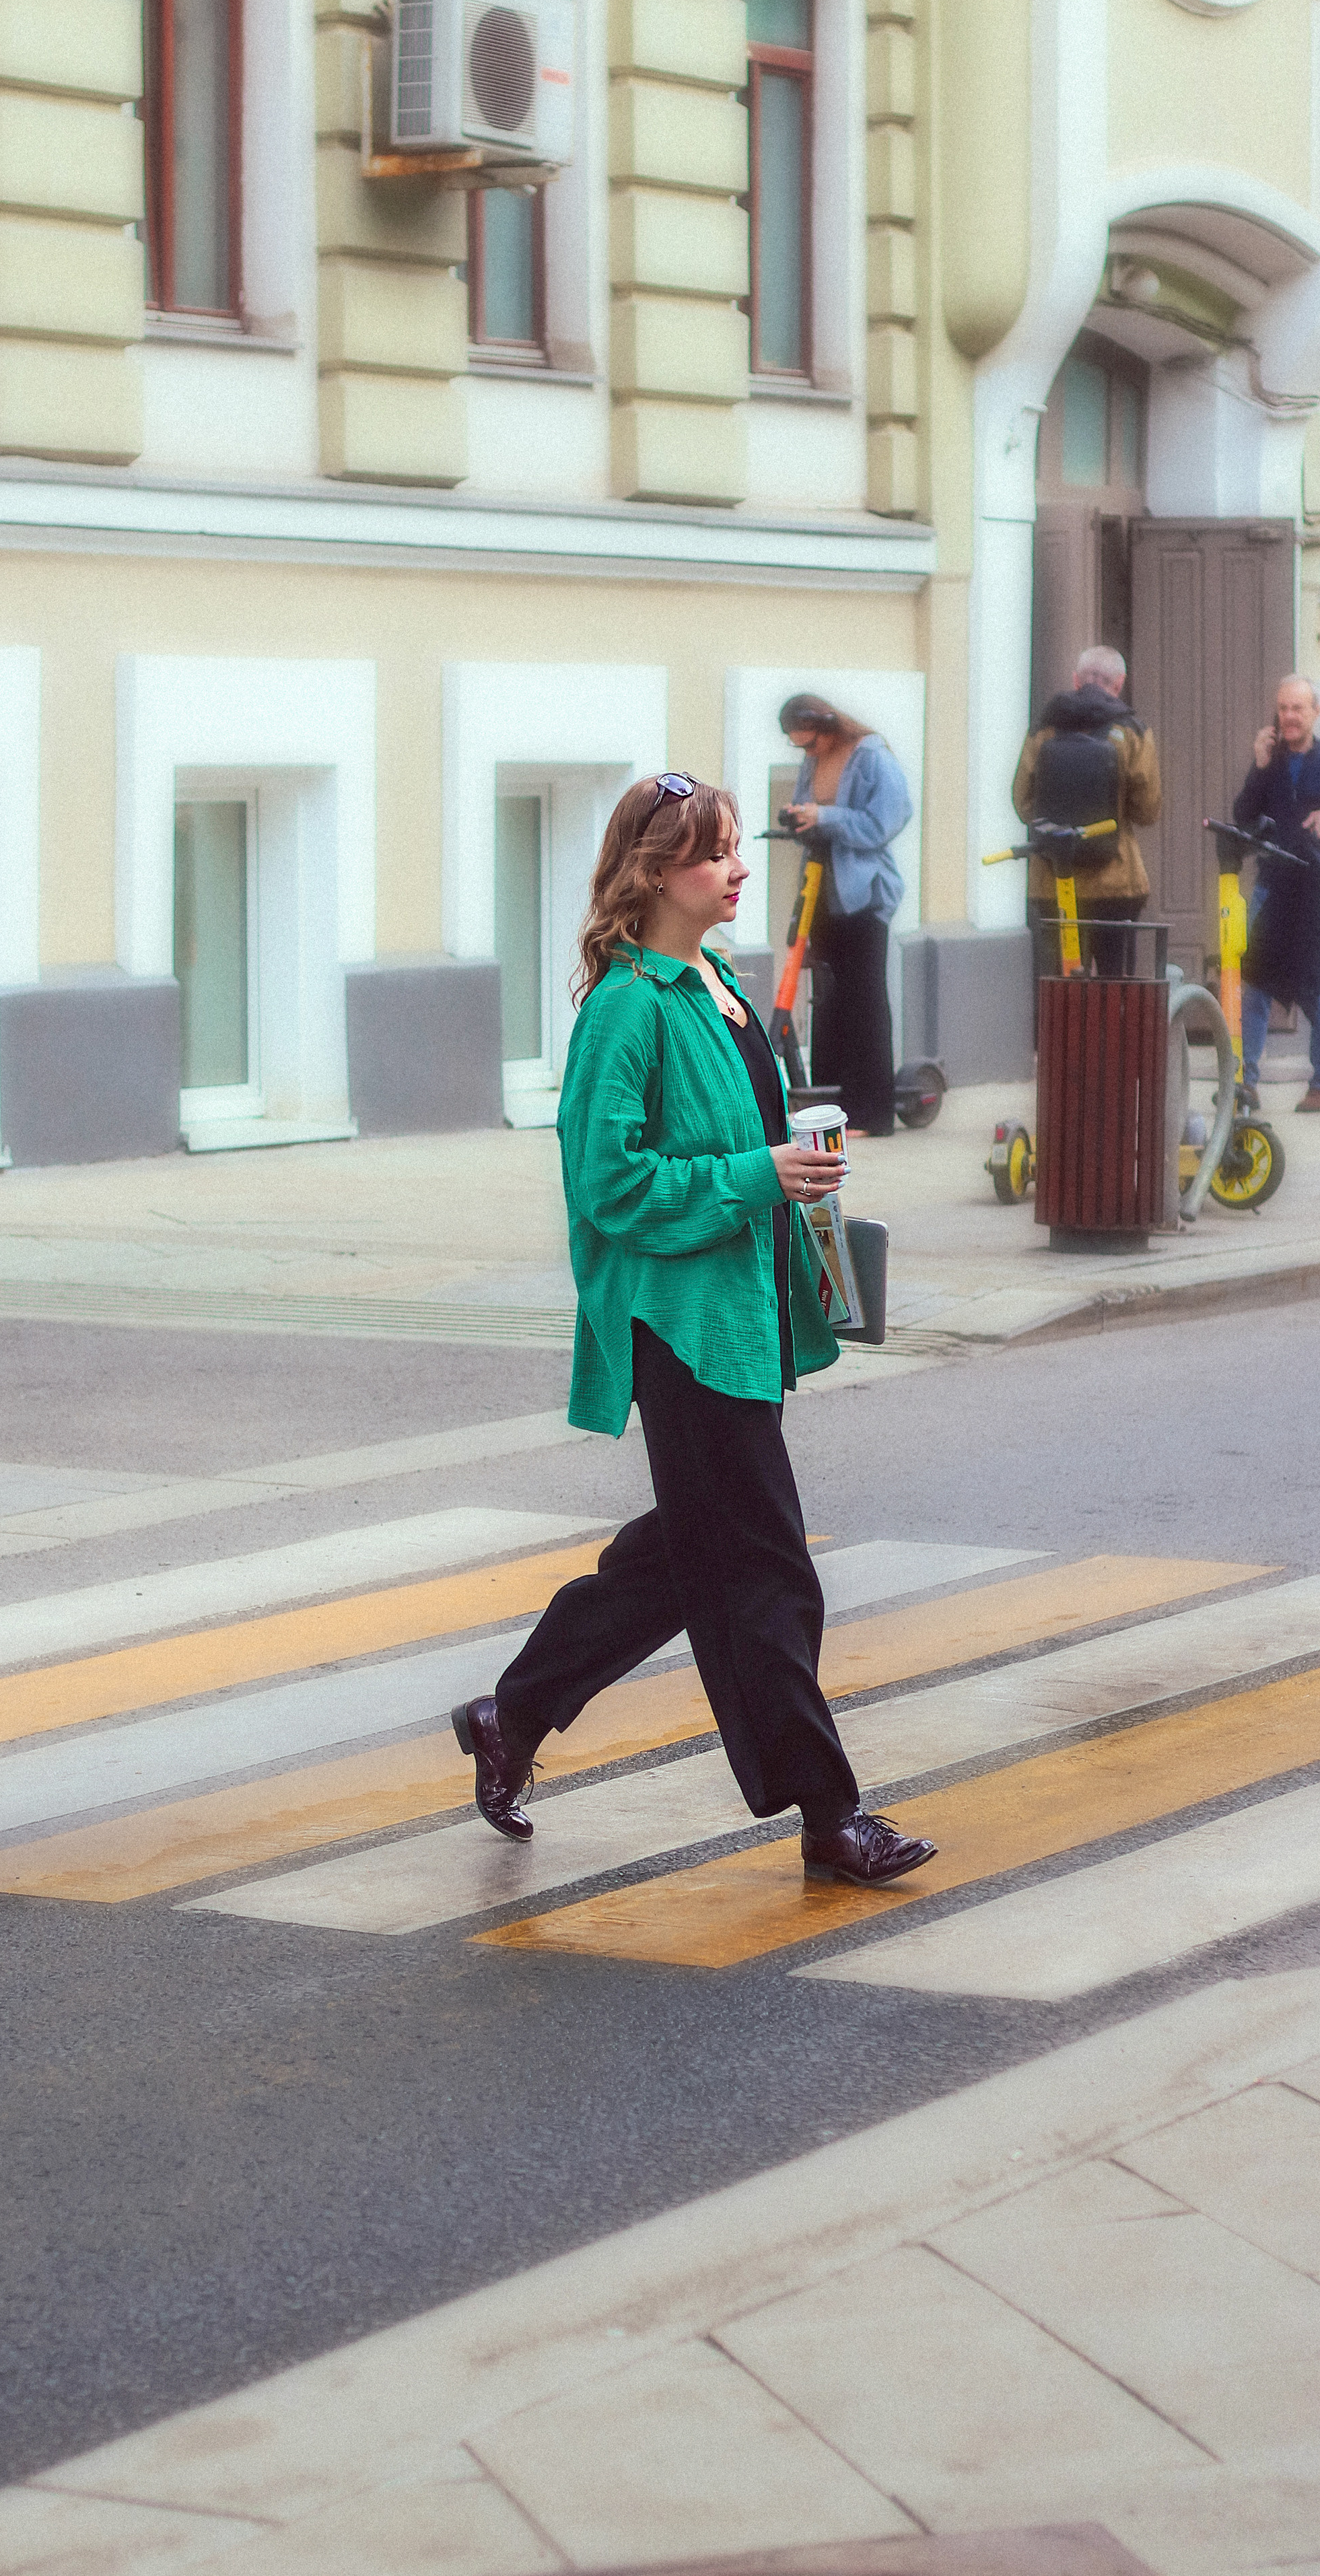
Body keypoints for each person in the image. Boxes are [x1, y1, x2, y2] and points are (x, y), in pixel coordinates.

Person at [451, 770, 936, 1891]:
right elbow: (607, 1185)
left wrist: (797, 1186)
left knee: (685, 1555)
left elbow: (748, 1148)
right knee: (765, 1570)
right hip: (678, 1326)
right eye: (715, 851)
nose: (737, 866)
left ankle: (509, 1714)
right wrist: (752, 1174)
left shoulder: (711, 981)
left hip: (741, 1312)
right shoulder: (627, 1007)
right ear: (655, 871)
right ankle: (827, 1813)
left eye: (732, 848)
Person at [1232, 675, 1320, 1115]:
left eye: (1297, 708)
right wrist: (1257, 767)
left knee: (1319, 990)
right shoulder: (1269, 762)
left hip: (1315, 893)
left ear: (1315, 711)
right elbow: (1242, 817)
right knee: (1254, 987)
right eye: (1282, 709)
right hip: (1270, 890)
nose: (1289, 717)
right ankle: (1246, 1086)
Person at [777, 694, 913, 1136]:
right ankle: (829, 1110)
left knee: (864, 1001)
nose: (807, 753)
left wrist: (826, 816)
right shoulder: (814, 760)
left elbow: (885, 822)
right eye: (800, 748)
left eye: (811, 744)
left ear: (829, 727)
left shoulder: (870, 755)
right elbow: (811, 817)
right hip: (821, 893)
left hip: (863, 896)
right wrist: (799, 818)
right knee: (828, 1002)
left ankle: (872, 1114)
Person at [1012, 646, 1162, 980]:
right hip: (1117, 885)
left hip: (1052, 884)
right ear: (1119, 683)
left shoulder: (1044, 728)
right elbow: (1148, 809)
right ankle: (1112, 1034)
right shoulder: (1133, 732)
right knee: (1115, 985)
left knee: (1057, 992)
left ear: (1076, 680)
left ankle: (1060, 1035)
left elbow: (1023, 802)